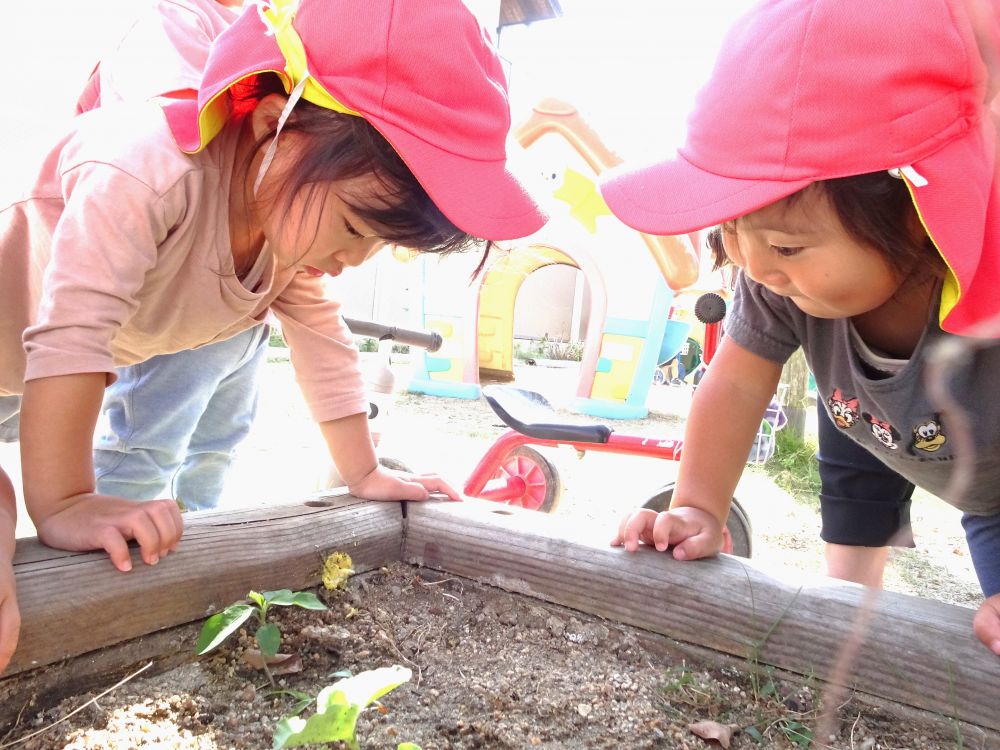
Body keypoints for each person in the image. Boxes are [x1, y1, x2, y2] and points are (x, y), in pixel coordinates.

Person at [0, 0, 545, 673]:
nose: (354, 259)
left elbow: (325, 344)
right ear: (272, 125)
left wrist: (364, 471)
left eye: (381, 242)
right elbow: (71, 336)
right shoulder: (147, 165)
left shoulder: (283, 235)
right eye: (354, 226)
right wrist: (66, 501)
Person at [604, 0, 1000, 655]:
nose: (754, 266)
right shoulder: (776, 281)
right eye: (731, 230)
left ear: (912, 217)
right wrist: (698, 507)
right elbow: (732, 386)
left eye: (785, 246)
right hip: (930, 466)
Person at [79, 0, 267, 511]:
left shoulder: (273, 22)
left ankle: (195, 549)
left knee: (218, 445)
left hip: (251, 294)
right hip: (185, 274)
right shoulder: (174, 18)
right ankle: (101, 569)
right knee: (145, 446)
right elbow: (177, 128)